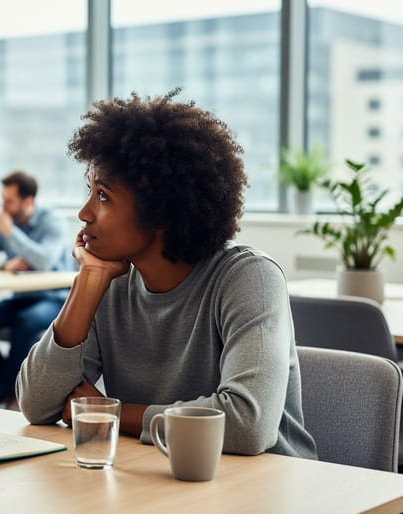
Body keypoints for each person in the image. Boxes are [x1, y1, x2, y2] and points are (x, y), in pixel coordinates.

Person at [16, 89, 317, 458]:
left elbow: (246, 426)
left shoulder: (249, 277)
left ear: (159, 211)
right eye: (90, 192)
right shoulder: (111, 285)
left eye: (103, 196)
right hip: (162, 473)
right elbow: (38, 404)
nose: (84, 213)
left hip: (269, 481)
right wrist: (87, 283)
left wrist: (113, 413)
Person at [0, 171, 72, 410]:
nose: (4, 206)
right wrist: (3, 263)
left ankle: (1, 392)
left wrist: (11, 233)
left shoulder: (52, 222)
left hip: (53, 298)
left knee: (25, 323)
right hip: (21, 297)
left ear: (28, 201)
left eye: (9, 201)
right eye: (3, 199)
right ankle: (10, 388)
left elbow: (44, 261)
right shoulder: (6, 220)